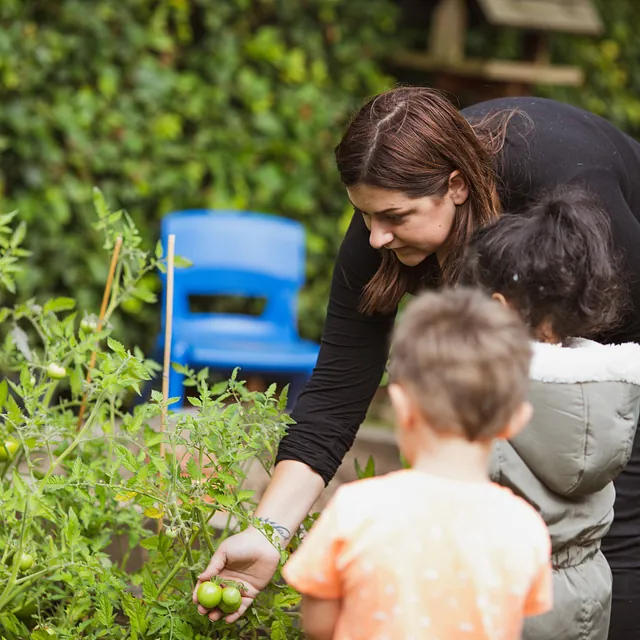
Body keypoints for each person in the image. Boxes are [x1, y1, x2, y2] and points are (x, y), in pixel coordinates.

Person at [193, 87, 640, 637]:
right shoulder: (379, 232)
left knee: (615, 526)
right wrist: (267, 531)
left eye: (393, 216)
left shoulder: (564, 190)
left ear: (455, 186)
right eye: (364, 215)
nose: (376, 236)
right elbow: (336, 391)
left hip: (621, 318)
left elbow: (604, 390)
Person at [283, 287, 552, 640]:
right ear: (516, 420)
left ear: (401, 406)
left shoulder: (356, 509)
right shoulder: (526, 527)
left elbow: (318, 624)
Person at [460, 187, 640, 640]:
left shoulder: (488, 402)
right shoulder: (604, 389)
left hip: (509, 596)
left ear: (498, 308)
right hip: (588, 590)